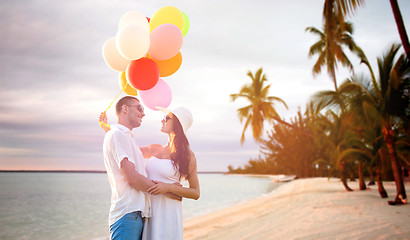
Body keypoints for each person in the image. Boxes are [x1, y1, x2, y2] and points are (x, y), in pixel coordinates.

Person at [100, 105, 200, 240]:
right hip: (148, 210)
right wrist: (107, 128)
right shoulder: (155, 148)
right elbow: (125, 146)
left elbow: (195, 192)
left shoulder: (188, 155)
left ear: (178, 124)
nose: (162, 120)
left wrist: (168, 187)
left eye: (166, 118)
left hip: (168, 211)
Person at [101, 96, 160, 240]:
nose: (143, 113)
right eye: (140, 108)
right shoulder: (118, 134)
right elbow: (132, 179)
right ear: (125, 109)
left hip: (133, 214)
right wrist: (167, 189)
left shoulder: (123, 136)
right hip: (127, 215)